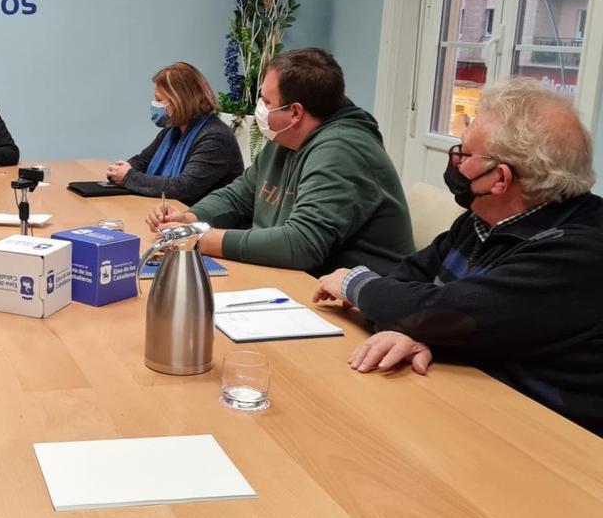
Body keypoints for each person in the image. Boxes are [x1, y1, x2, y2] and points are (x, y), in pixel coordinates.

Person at [314, 79, 602, 436]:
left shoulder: (581, 252)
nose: (455, 161)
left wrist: (352, 283)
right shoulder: (482, 217)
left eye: (463, 154)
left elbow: (450, 313)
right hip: (465, 403)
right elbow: (409, 284)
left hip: (551, 440)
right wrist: (421, 330)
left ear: (499, 178)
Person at [147, 47, 414, 275]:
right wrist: (190, 218)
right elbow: (239, 195)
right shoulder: (287, 138)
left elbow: (301, 245)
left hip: (357, 308)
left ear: (295, 112)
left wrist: (200, 239)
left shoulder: (342, 151)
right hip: (297, 282)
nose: (260, 107)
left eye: (265, 100)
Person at [106, 61, 243, 205]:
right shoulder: (173, 130)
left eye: (159, 99)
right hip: (173, 213)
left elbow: (184, 188)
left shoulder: (215, 137)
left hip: (204, 222)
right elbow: (143, 161)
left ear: (180, 101)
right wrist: (120, 171)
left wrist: (128, 177)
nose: (154, 104)